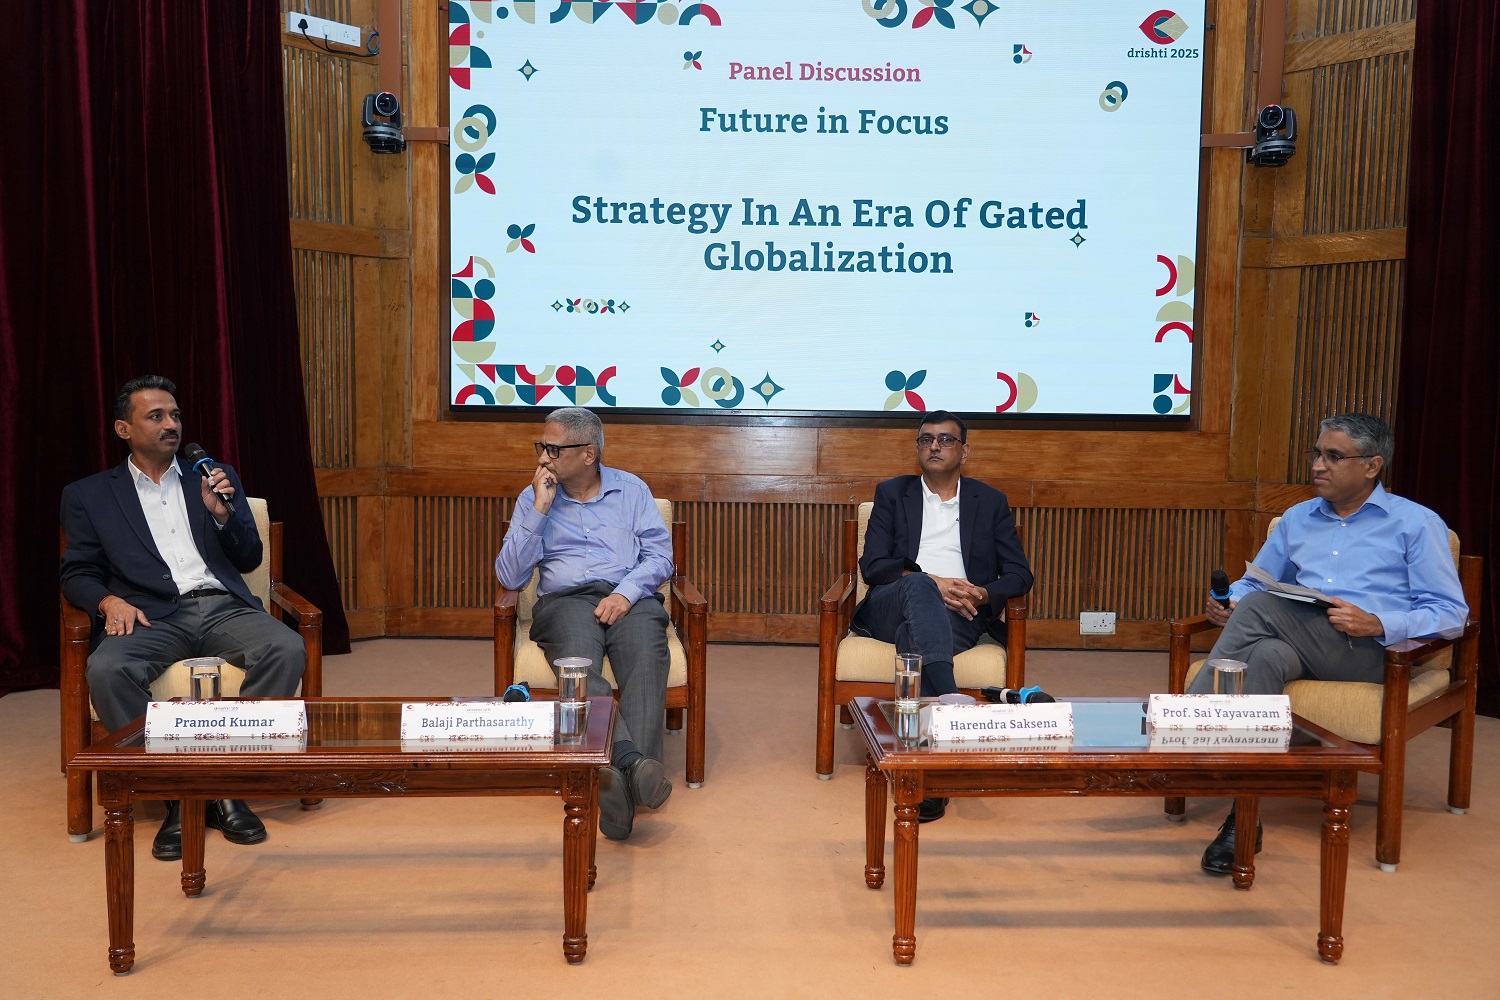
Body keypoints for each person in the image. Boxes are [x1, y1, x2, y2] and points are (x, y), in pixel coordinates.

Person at [1188, 412, 1467, 874]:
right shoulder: (1298, 518)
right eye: (1317, 453)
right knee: (1264, 652)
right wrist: (1230, 602)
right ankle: (1243, 817)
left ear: (1372, 466)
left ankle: (1183, 727)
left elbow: (1452, 614)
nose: (1319, 465)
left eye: (1334, 456)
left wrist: (1378, 622)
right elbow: (1254, 583)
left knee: (1260, 611)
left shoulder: (1416, 523)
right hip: (1300, 643)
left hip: (1371, 654)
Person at [61, 375, 306, 860]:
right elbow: (77, 572)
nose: (170, 424)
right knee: (107, 669)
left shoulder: (211, 477)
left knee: (285, 647)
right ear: (124, 429)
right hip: (150, 615)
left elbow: (250, 557)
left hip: (221, 606)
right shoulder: (90, 494)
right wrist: (108, 602)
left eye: (174, 415)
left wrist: (222, 516)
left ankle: (224, 786)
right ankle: (174, 792)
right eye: (156, 416)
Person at [495, 406, 674, 841]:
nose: (543, 458)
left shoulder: (632, 490)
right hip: (566, 602)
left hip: (628, 596)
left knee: (646, 658)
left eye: (553, 449)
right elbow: (510, 577)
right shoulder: (532, 498)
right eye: (542, 447)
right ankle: (632, 765)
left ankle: (614, 782)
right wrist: (540, 510)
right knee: (578, 667)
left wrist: (626, 593)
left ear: (588, 453)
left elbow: (660, 557)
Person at [853, 410, 1034, 821]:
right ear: (918, 448)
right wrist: (932, 581)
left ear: (964, 451)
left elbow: (1020, 574)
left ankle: (925, 772)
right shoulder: (892, 493)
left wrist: (982, 593)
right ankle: (953, 708)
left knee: (911, 638)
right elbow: (873, 566)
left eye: (945, 439)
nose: (934, 446)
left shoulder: (989, 501)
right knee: (920, 587)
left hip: (962, 611)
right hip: (893, 599)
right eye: (926, 439)